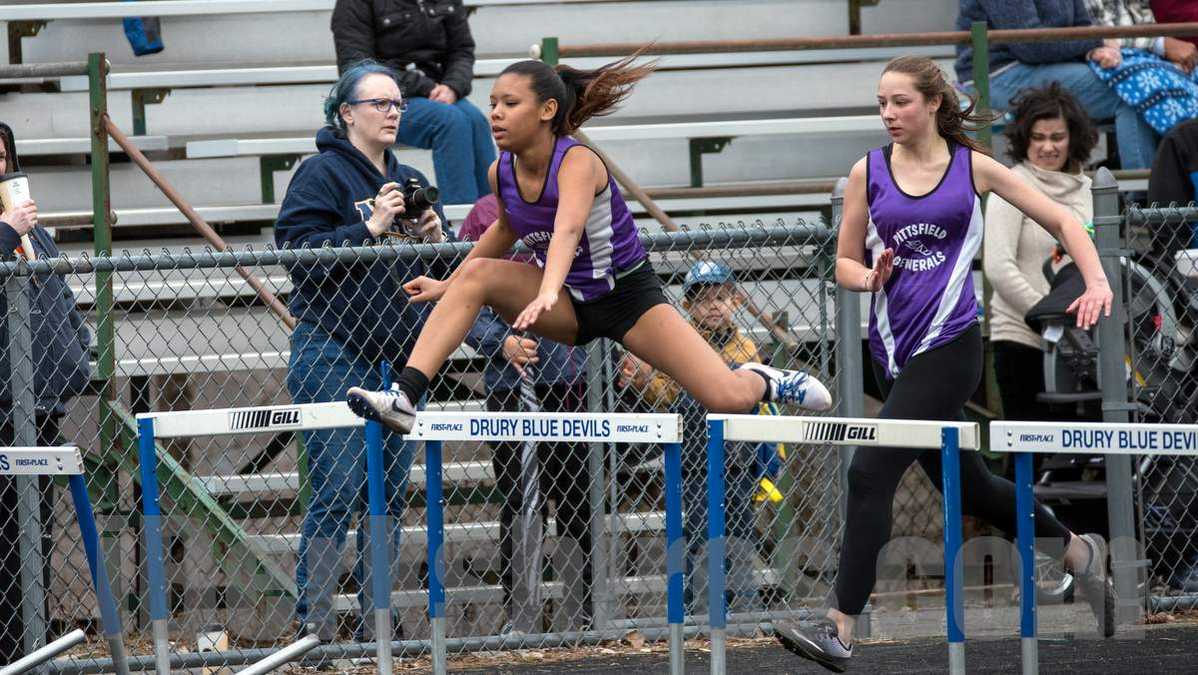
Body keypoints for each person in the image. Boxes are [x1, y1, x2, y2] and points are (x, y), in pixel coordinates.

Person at [772, 56, 1116, 673]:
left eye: (900, 102)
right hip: (893, 353)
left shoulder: (972, 167)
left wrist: (1095, 280)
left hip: (952, 347)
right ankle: (1078, 554)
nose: (888, 114)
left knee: (869, 472)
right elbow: (843, 262)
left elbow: (1065, 219)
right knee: (974, 486)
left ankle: (839, 627)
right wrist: (867, 277)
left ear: (933, 103)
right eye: (881, 103)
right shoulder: (868, 171)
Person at [343, 54, 833, 441]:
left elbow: (568, 229)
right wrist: (447, 284)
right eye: (492, 103)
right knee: (478, 275)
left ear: (547, 111)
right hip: (569, 305)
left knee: (727, 397)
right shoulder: (501, 171)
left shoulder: (578, 161)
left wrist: (546, 289)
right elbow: (504, 230)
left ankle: (766, 379)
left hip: (627, 300)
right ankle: (404, 398)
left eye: (510, 103)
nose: (495, 113)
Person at [273, 60, 449, 642]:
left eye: (398, 103)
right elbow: (296, 255)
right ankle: (316, 626)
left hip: (399, 357)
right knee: (338, 489)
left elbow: (444, 278)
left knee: (388, 496)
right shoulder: (320, 173)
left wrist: (437, 240)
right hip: (333, 348)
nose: (393, 112)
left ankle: (378, 624)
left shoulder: (411, 176)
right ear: (346, 112)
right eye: (380, 103)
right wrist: (369, 229)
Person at [459, 194, 594, 632]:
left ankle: (580, 613)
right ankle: (522, 615)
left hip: (571, 378)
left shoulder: (570, 201)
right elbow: (463, 294)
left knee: (575, 498)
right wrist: (499, 342)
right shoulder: (484, 215)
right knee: (521, 501)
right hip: (511, 384)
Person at [619, 261, 773, 614]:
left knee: (740, 531)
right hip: (695, 460)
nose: (713, 306)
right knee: (700, 534)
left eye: (721, 297)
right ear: (688, 306)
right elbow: (667, 393)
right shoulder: (682, 345)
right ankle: (701, 608)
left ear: (736, 301)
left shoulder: (746, 348)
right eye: (703, 300)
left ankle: (741, 609)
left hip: (738, 461)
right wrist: (643, 381)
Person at [0, 122, 92, 664]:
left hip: (41, 404)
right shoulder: (9, 228)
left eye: (2, 155)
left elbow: (56, 292)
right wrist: (5, 233)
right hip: (4, 408)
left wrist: (77, 345)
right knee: (7, 541)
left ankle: (27, 648)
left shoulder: (27, 228)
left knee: (34, 539)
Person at [983, 84, 1098, 426]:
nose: (1048, 147)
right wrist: (1050, 319)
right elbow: (999, 268)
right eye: (1038, 137)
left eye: (1057, 137)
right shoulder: (1009, 186)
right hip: (1022, 341)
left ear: (1073, 138)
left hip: (1082, 345)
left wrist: (1074, 329)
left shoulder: (1091, 190)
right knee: (1030, 452)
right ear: (1025, 139)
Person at [956, 0, 1160, 169]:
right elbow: (1029, 46)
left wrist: (1094, 50)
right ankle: (1141, 195)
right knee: (1130, 92)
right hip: (996, 74)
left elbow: (1082, 25)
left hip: (1047, 64)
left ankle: (1141, 189)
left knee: (1141, 81)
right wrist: (1095, 43)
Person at [331, 0, 496, 206]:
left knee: (476, 121)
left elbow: (462, 50)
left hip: (439, 90)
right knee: (451, 121)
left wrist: (452, 86)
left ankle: (491, 214)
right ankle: (461, 219)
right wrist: (426, 87)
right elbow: (356, 65)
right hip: (382, 99)